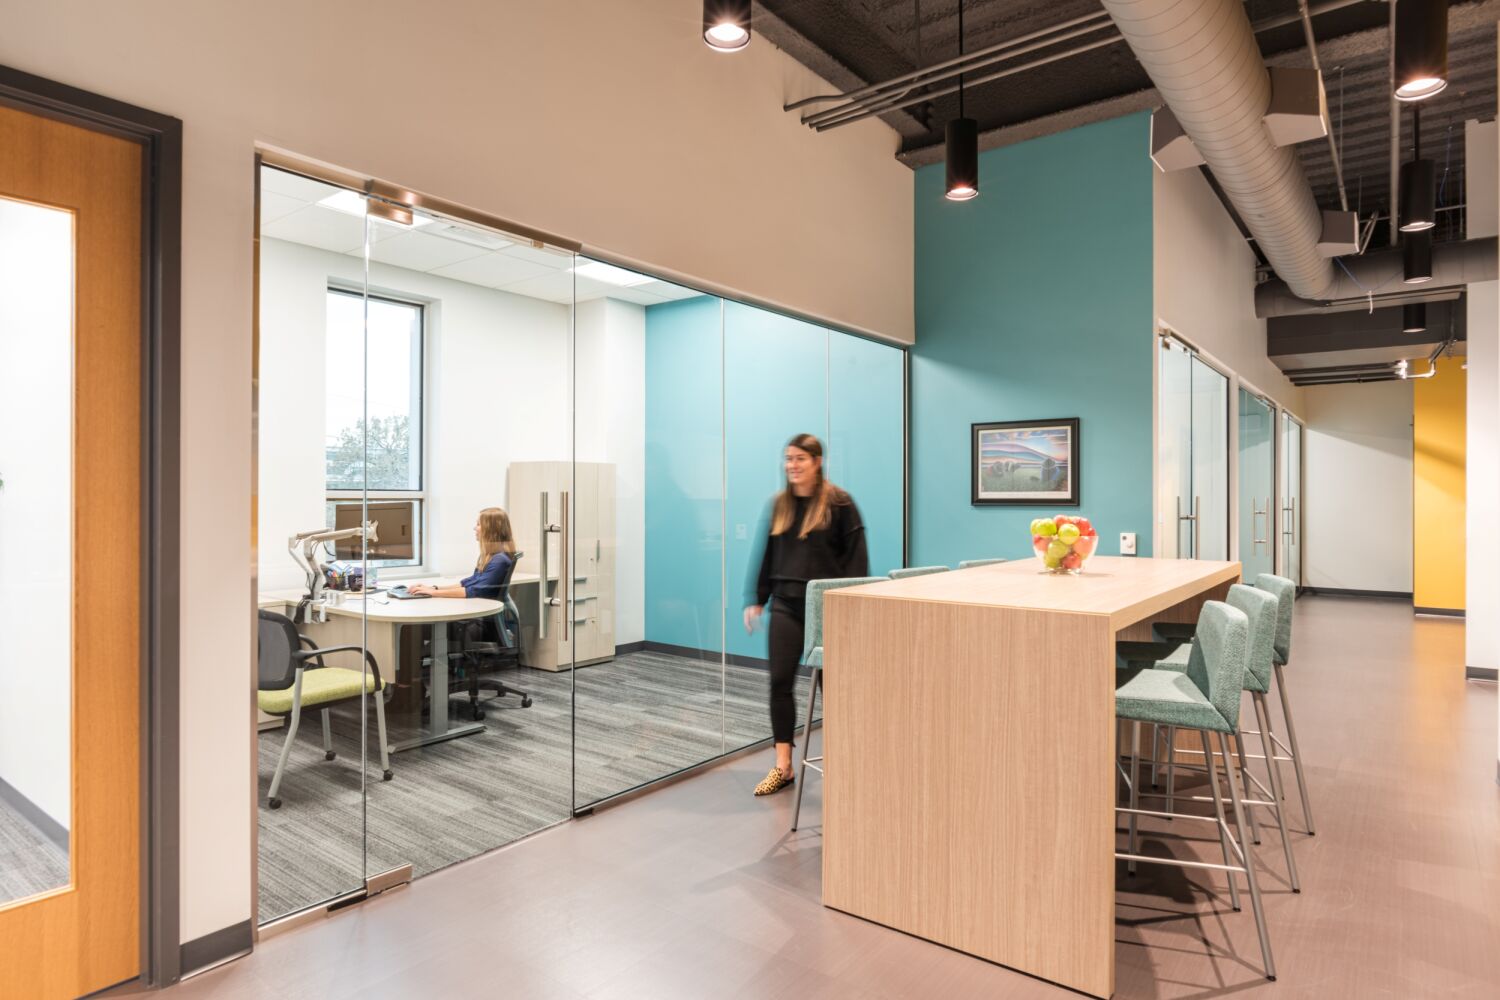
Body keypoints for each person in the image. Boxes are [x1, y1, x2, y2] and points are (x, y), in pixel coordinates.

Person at [743, 433, 868, 797]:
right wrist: (757, 598)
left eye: (799, 458)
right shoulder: (780, 505)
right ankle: (783, 767)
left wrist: (850, 608)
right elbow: (767, 553)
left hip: (827, 608)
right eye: (787, 459)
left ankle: (845, 762)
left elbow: (857, 559)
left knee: (835, 689)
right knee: (780, 682)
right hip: (786, 604)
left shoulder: (840, 504)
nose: (792, 465)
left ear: (817, 461)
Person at [409, 507, 516, 599]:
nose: (475, 528)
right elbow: (469, 582)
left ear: (490, 530)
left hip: (485, 620)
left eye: (478, 524)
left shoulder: (499, 560)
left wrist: (433, 593)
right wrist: (433, 588)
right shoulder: (491, 556)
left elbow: (473, 591)